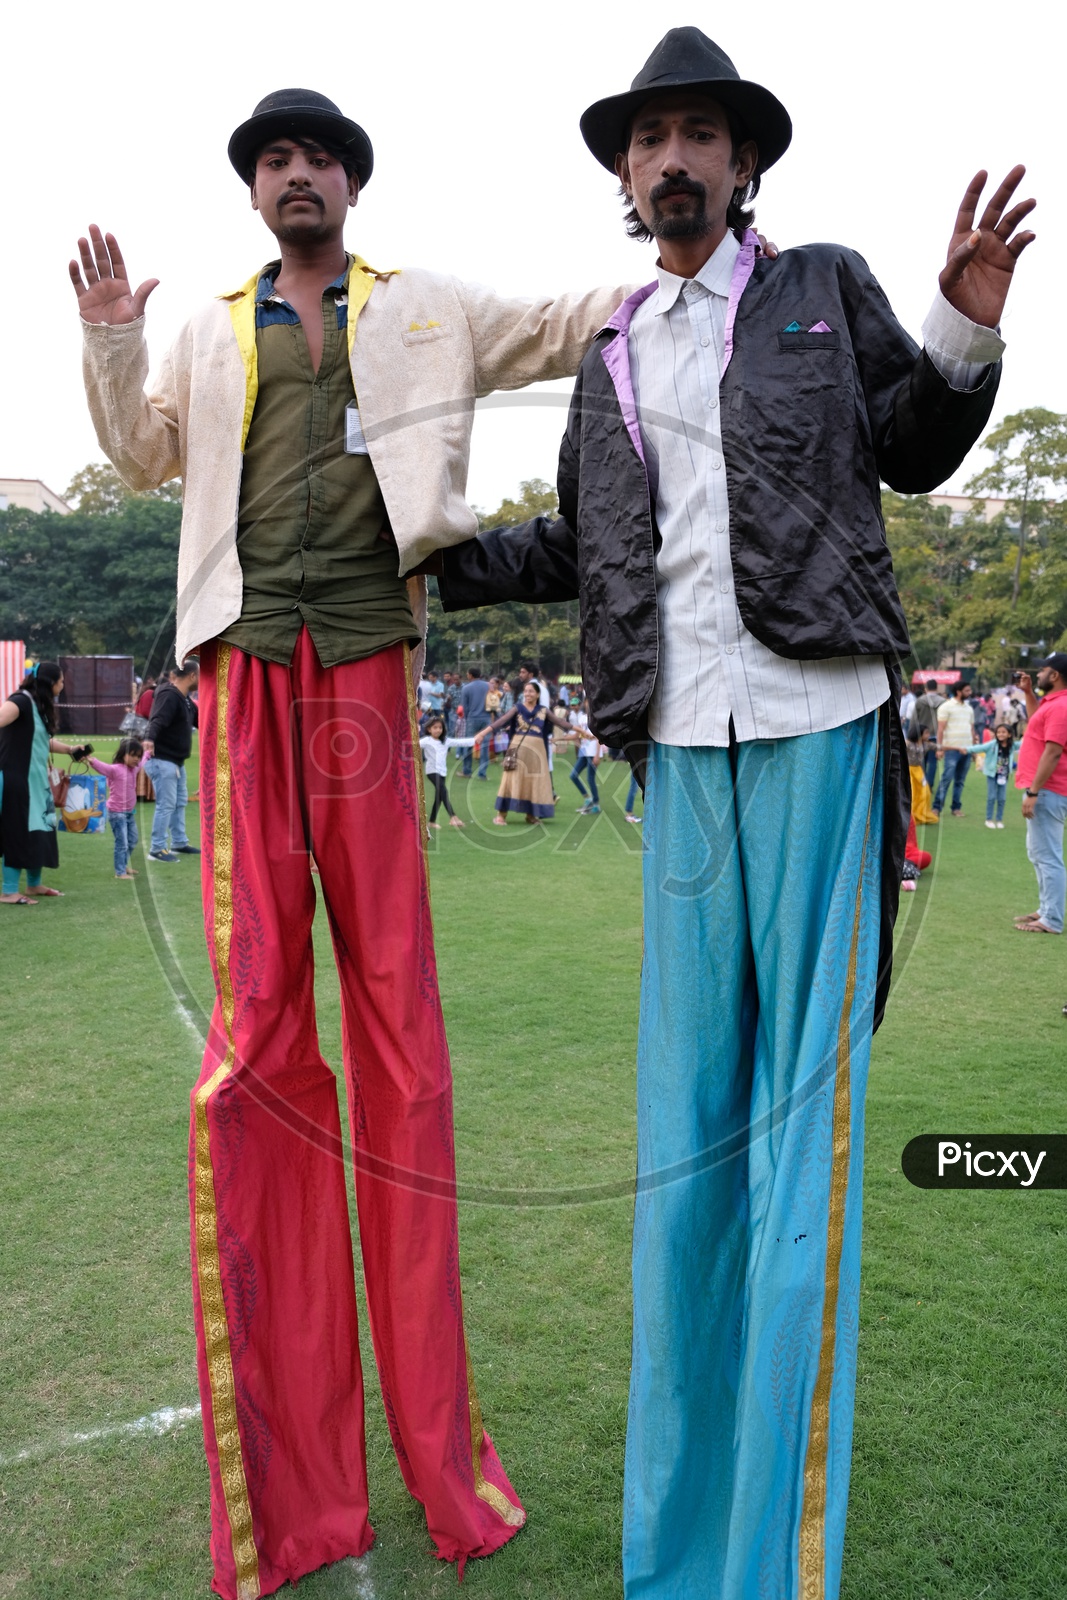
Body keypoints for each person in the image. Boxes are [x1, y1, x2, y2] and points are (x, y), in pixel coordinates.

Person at [438, 27, 1032, 1598]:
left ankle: (776, 1559)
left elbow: (909, 449)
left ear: (741, 164)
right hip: (676, 757)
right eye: (645, 142)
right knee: (686, 1142)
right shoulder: (610, 352)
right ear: (623, 179)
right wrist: (427, 555)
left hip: (818, 725)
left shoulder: (818, 290)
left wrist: (960, 325)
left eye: (696, 134)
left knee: (796, 1138)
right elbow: (575, 546)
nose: (670, 160)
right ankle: (678, 1552)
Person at [71, 85, 632, 1596]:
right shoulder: (205, 325)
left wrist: (670, 247)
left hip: (374, 670)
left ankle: (445, 1471)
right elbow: (134, 455)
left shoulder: (426, 307)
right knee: (263, 1036)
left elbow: (567, 319)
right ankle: (294, 1490)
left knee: (402, 1037)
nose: (293, 174)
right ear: (255, 192)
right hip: (247, 674)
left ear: (349, 182)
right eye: (270, 160)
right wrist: (115, 335)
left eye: (314, 156)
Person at [0, 662, 92, 904]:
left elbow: (40, 740)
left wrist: (71, 750)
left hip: (36, 781)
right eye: (61, 681)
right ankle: (9, 891)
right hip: (16, 780)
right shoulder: (20, 701)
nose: (62, 686)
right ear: (51, 682)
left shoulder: (37, 706)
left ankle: (34, 885)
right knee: (18, 832)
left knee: (40, 830)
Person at [1013, 656, 1067, 934]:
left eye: (1043, 669)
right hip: (1046, 789)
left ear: (1055, 675)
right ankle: (1047, 910)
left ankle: (1053, 918)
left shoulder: (1061, 706)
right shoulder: (1053, 703)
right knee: (1039, 854)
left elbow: (1053, 751)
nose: (1040, 672)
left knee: (1048, 856)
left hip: (1048, 789)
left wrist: (1034, 791)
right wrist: (1028, 692)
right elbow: (1037, 723)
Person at [474, 681, 574, 825]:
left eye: (531, 691)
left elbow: (561, 723)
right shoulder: (517, 708)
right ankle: (501, 815)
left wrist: (583, 732)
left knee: (532, 782)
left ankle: (531, 815)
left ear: (538, 694)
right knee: (510, 780)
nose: (528, 694)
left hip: (536, 754)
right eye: (526, 691)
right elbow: (501, 721)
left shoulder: (544, 710)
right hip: (517, 750)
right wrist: (482, 734)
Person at [143, 661, 200, 861]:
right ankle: (157, 849)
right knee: (167, 804)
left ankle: (179, 843)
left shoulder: (184, 700)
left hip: (176, 761)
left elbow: (201, 720)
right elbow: (157, 719)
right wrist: (149, 739)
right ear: (192, 676)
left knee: (178, 803)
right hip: (162, 760)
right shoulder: (169, 695)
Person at [88, 737, 150, 876]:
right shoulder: (115, 769)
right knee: (122, 843)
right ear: (123, 755)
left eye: (138, 756)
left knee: (132, 840)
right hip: (116, 813)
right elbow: (103, 767)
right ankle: (120, 872)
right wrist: (92, 760)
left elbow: (142, 763)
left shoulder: (134, 769)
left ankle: (123, 865)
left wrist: (147, 753)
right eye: (133, 755)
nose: (136, 759)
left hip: (129, 813)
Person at [419, 715, 473, 829]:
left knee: (439, 797)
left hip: (442, 772)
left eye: (440, 727)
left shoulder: (445, 741)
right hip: (432, 771)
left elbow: (460, 742)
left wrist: (475, 740)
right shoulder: (426, 741)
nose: (438, 730)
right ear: (429, 729)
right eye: (435, 727)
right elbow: (412, 744)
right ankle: (453, 817)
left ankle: (432, 821)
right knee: (443, 791)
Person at [933, 679, 976, 816]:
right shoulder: (946, 707)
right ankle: (936, 808)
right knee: (946, 778)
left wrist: (973, 749)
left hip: (967, 749)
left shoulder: (969, 708)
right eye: (967, 690)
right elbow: (940, 729)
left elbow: (972, 729)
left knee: (960, 781)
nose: (970, 693)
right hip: (951, 749)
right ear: (958, 692)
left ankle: (956, 808)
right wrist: (939, 748)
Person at [972, 721, 1015, 828]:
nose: (1000, 734)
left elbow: (1025, 743)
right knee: (991, 797)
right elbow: (979, 748)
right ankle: (989, 819)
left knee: (1002, 798)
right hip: (992, 774)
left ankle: (999, 820)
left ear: (1009, 734)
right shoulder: (993, 744)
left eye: (1003, 732)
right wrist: (965, 750)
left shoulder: (1012, 745)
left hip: (1004, 775)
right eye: (998, 732)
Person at [910, 678, 945, 792]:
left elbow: (914, 719)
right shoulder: (943, 702)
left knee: (921, 761)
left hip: (921, 735)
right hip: (937, 735)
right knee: (933, 763)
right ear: (937, 687)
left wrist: (912, 735)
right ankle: (929, 785)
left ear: (926, 688)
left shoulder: (920, 701)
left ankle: (922, 783)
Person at [569, 698, 602, 813]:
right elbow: (576, 735)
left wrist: (597, 755)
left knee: (590, 778)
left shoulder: (598, 717)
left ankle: (596, 805)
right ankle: (588, 799)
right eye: (587, 701)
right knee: (573, 775)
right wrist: (558, 738)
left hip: (593, 752)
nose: (588, 703)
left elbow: (599, 737)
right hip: (583, 752)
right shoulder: (582, 717)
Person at [460, 667, 492, 778]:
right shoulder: (488, 686)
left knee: (468, 744)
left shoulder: (466, 688)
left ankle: (467, 771)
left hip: (472, 718)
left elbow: (465, 706)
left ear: (470, 675)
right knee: (485, 746)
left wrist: (468, 716)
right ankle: (482, 773)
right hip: (486, 717)